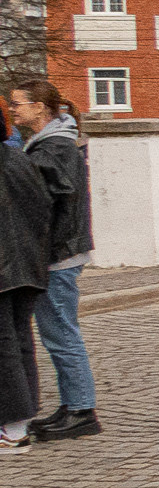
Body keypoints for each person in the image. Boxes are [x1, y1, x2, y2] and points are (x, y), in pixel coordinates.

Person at [13, 82, 95, 441]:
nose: (14, 110)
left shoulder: (55, 147)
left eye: (18, 104)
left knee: (61, 333)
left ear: (40, 108)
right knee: (57, 332)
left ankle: (81, 411)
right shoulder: (51, 144)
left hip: (56, 255)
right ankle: (72, 405)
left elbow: (44, 202)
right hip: (58, 251)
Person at [0, 129, 51, 452]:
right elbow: (43, 208)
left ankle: (15, 429)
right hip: (28, 262)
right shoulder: (21, 160)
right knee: (19, 341)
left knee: (5, 345)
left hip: (6, 265)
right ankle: (22, 417)